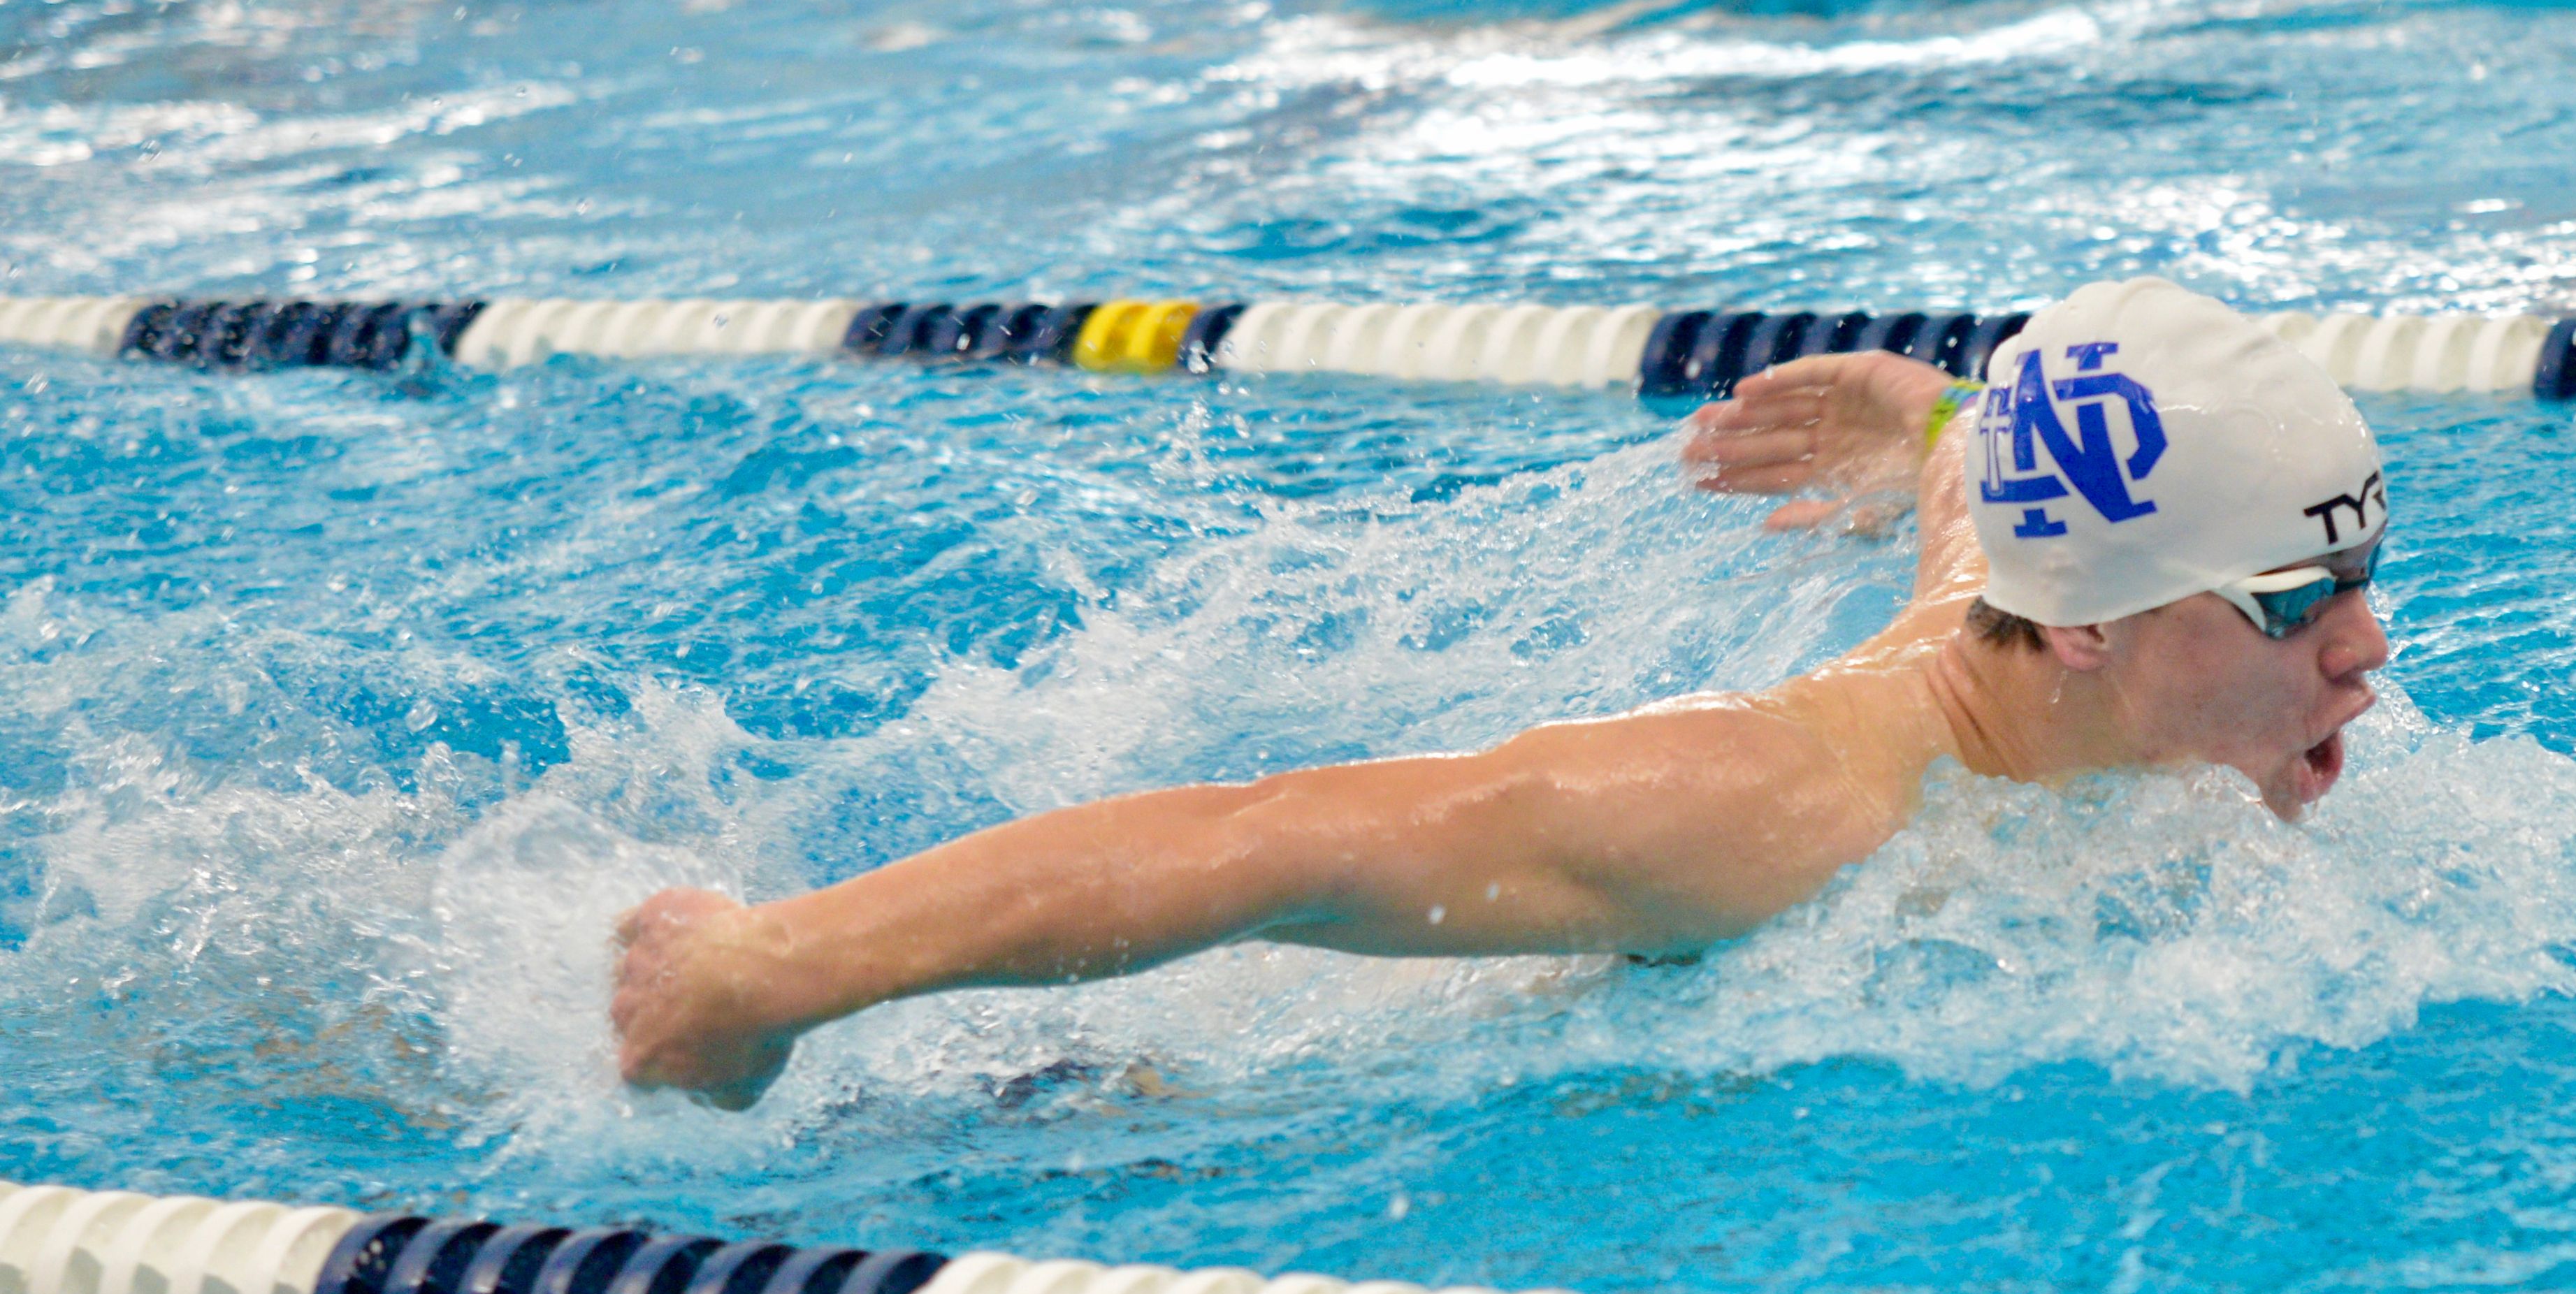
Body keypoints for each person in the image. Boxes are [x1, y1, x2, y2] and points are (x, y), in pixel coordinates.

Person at [610, 277, 2393, 1107]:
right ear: (2090, 627)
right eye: (2299, 600)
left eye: (2366, 577)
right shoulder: (1775, 807)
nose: (2363, 646)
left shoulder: (2026, 591)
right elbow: (1273, 843)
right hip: (1122, 1093)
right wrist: (768, 973)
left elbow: (1986, 481)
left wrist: (1923, 417)